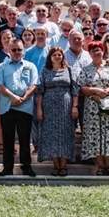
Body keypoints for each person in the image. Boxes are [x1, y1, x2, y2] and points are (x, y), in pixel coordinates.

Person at [0, 38, 39, 177]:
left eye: (19, 49)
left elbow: (34, 85)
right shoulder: (2, 66)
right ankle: (7, 168)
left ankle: (26, 167)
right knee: (8, 140)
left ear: (23, 50)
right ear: (8, 51)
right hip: (8, 107)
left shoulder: (30, 66)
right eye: (14, 50)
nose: (17, 52)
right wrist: (13, 97)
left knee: (25, 140)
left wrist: (23, 99)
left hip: (25, 108)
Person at [78, 41, 109, 175]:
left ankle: (108, 166)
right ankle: (100, 166)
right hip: (92, 108)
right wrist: (95, 90)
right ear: (90, 53)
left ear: (102, 51)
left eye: (98, 50)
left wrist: (105, 92)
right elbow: (82, 88)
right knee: (94, 136)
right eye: (93, 51)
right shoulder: (86, 69)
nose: (96, 53)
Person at [36, 47, 79, 176]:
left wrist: (75, 106)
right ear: (50, 57)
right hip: (49, 109)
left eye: (59, 55)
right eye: (54, 55)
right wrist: (39, 109)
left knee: (65, 135)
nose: (57, 57)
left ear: (62, 56)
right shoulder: (45, 71)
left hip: (66, 108)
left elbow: (75, 90)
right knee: (52, 137)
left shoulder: (69, 70)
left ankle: (64, 166)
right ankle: (56, 165)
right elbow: (40, 92)